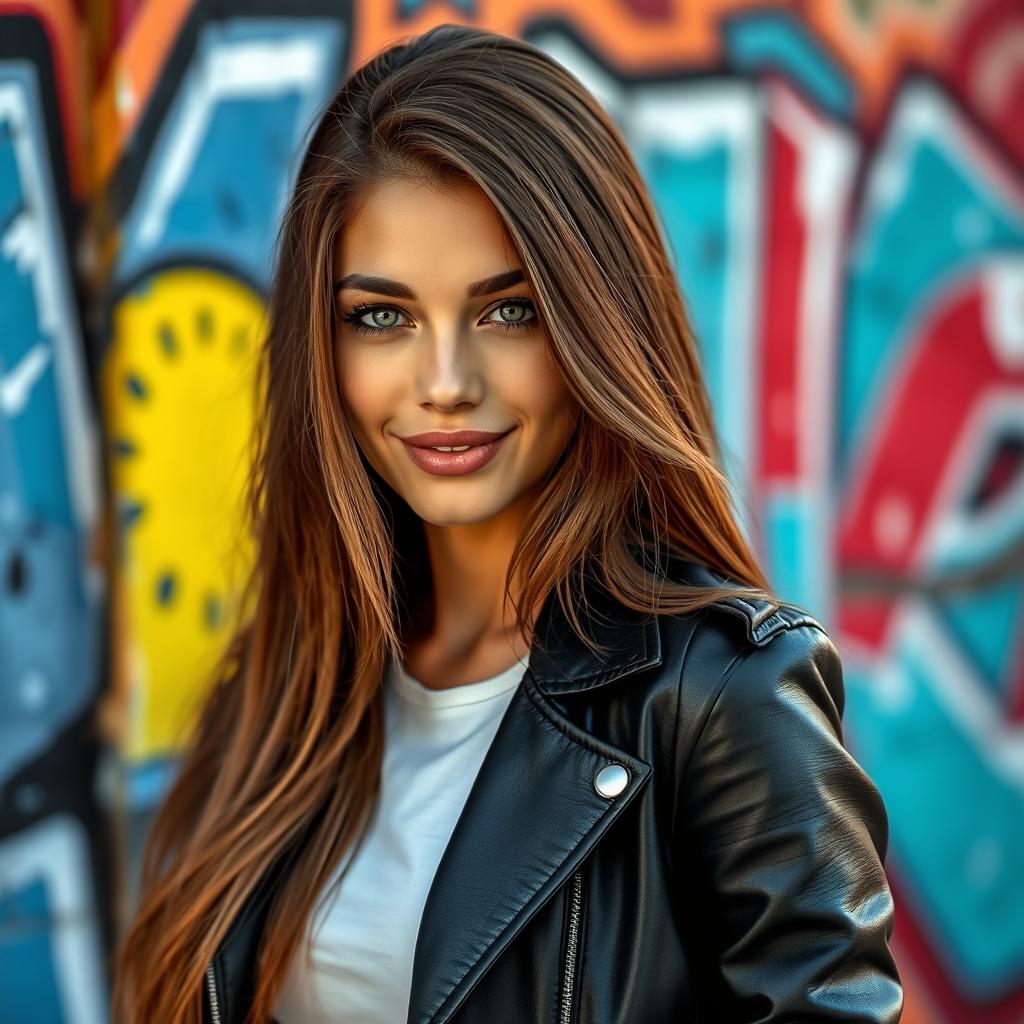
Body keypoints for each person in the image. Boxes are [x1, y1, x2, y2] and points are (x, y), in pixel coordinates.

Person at [111, 22, 903, 1024]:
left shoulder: (723, 699)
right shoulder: (292, 687)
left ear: (593, 323)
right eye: (382, 317)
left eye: (506, 311)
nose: (444, 384)